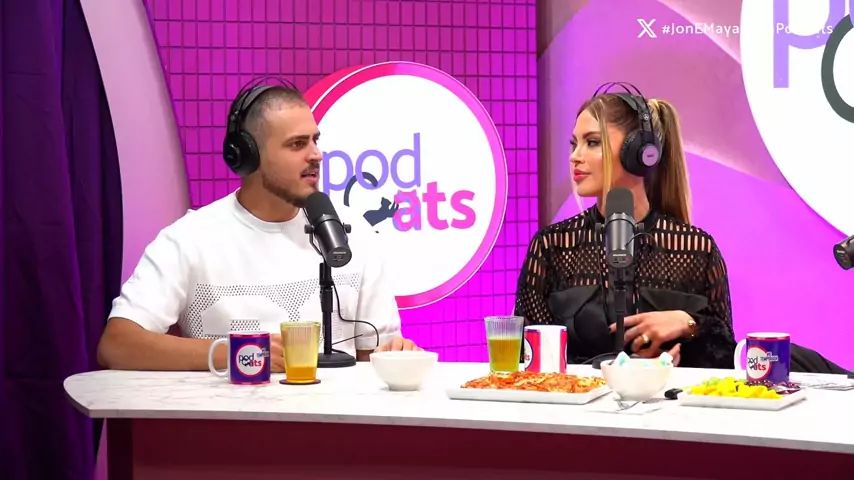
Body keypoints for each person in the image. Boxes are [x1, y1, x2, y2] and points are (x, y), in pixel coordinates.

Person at [515, 83, 851, 374]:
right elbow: (524, 355)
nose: (575, 156)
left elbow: (726, 357)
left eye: (592, 142)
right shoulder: (553, 245)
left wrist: (687, 325)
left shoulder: (695, 249)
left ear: (639, 153)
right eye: (573, 143)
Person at [97, 80, 419, 373]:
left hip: (338, 419)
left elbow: (372, 357)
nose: (316, 155)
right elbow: (117, 345)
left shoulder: (352, 235)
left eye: (315, 140)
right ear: (248, 156)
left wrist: (395, 355)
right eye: (297, 144)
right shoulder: (189, 239)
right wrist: (234, 353)